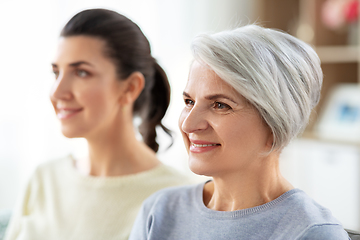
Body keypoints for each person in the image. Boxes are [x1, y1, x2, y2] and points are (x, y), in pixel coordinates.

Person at [128, 25, 351, 240]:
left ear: (275, 124)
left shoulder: (313, 233)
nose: (188, 125)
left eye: (220, 105)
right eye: (189, 101)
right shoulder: (159, 212)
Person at [4, 8, 190, 240]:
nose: (58, 92)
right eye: (56, 72)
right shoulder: (44, 180)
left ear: (130, 87)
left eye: (81, 72)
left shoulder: (179, 198)